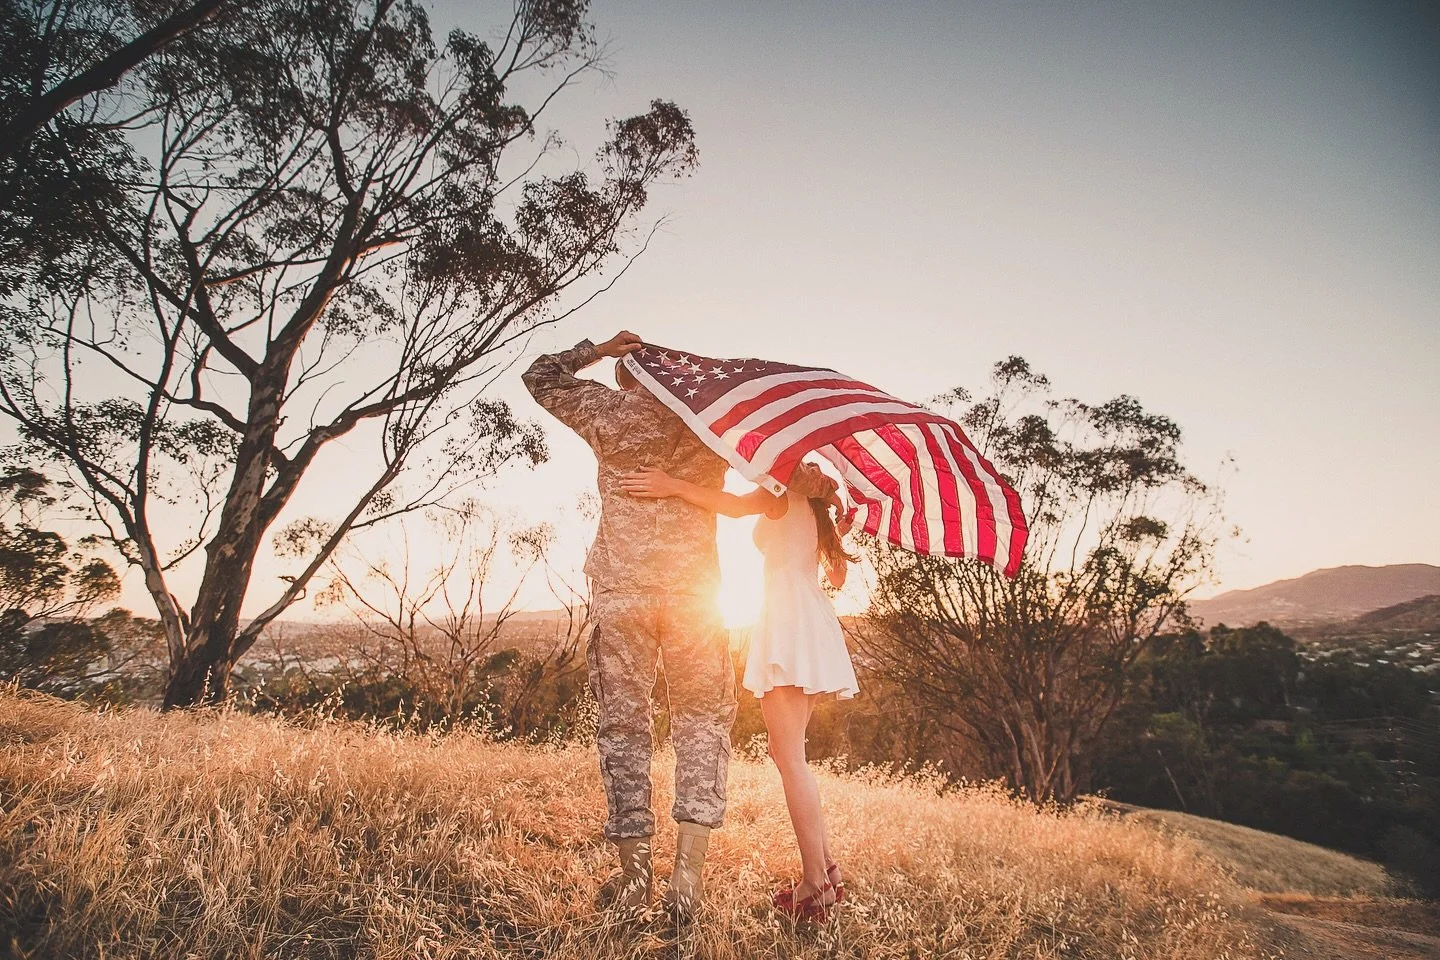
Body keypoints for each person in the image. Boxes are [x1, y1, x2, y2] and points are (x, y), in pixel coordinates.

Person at [521, 331, 736, 917]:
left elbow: (540, 376)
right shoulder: (712, 421)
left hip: (624, 593)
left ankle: (635, 878)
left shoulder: (609, 411)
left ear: (625, 375)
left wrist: (599, 348)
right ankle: (687, 879)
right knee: (701, 722)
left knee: (624, 727)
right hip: (696, 595)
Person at [620, 460, 859, 923]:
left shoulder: (782, 493)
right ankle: (827, 868)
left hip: (790, 623)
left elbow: (728, 505)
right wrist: (839, 530)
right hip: (810, 622)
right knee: (790, 754)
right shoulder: (817, 509)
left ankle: (816, 885)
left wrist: (671, 483)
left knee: (791, 759)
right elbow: (837, 579)